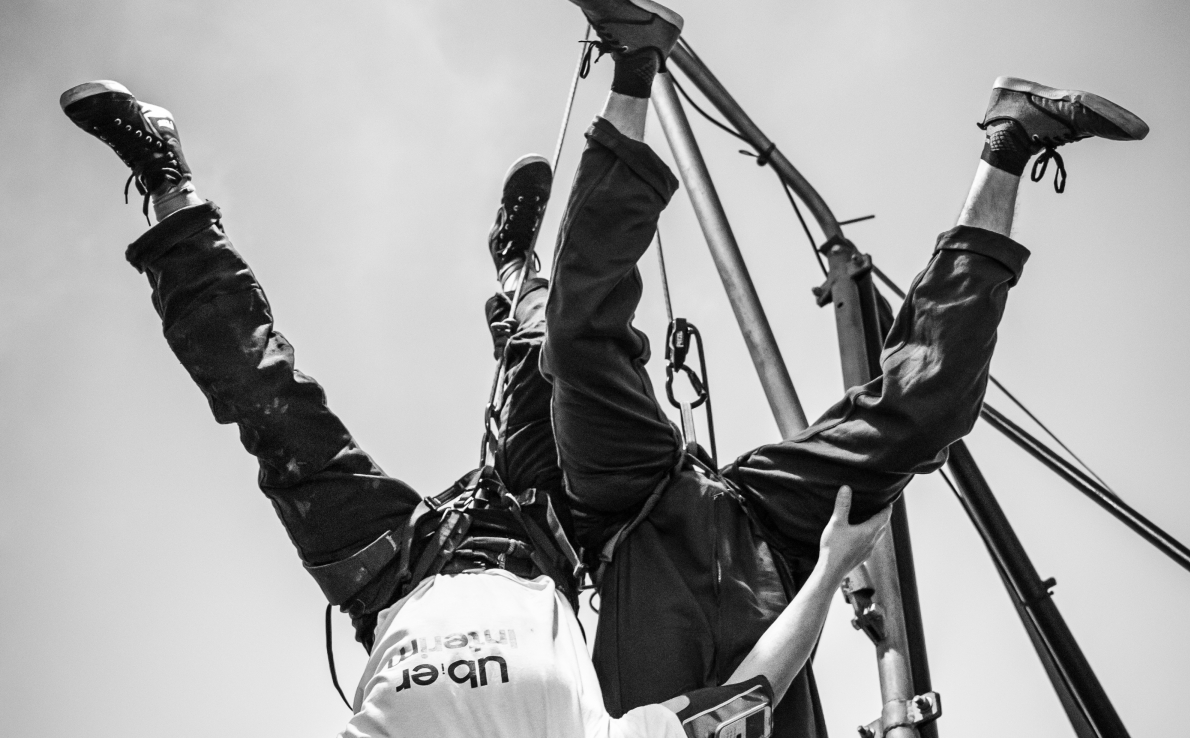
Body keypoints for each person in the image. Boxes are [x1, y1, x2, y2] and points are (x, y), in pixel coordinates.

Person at [59, 72, 891, 737]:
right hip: (534, 538)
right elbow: (746, 695)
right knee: (548, 366)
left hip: (387, 573)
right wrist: (828, 571)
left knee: (265, 400)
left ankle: (167, 184)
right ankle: (517, 271)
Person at [545, 0, 1149, 733]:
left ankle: (635, 62)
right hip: (773, 541)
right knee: (930, 407)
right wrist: (830, 566)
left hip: (630, 512)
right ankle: (1011, 139)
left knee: (578, 341)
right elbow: (752, 695)